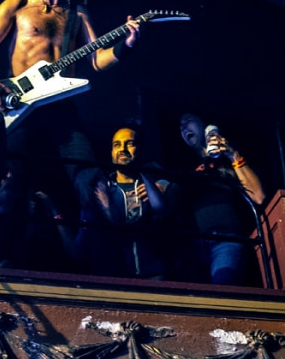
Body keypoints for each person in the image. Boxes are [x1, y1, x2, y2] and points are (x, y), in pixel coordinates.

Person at [0, 0, 140, 267]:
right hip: (20, 107)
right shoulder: (18, 5)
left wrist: (127, 44)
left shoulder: (77, 12)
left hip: (61, 110)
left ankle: (104, 266)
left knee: (92, 181)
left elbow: (96, 59)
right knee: (9, 185)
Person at [177, 113, 266, 285]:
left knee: (223, 287)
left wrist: (233, 154)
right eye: (180, 128)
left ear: (204, 125)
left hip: (226, 239)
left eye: (188, 121)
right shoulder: (186, 167)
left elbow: (259, 196)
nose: (183, 128)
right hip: (195, 245)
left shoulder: (229, 157)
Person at [76, 126, 173, 278]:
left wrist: (162, 183)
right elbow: (83, 245)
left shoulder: (153, 185)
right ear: (111, 153)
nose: (122, 149)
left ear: (139, 150)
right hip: (115, 277)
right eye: (117, 145)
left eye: (129, 144)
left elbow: (164, 210)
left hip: (155, 274)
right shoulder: (101, 190)